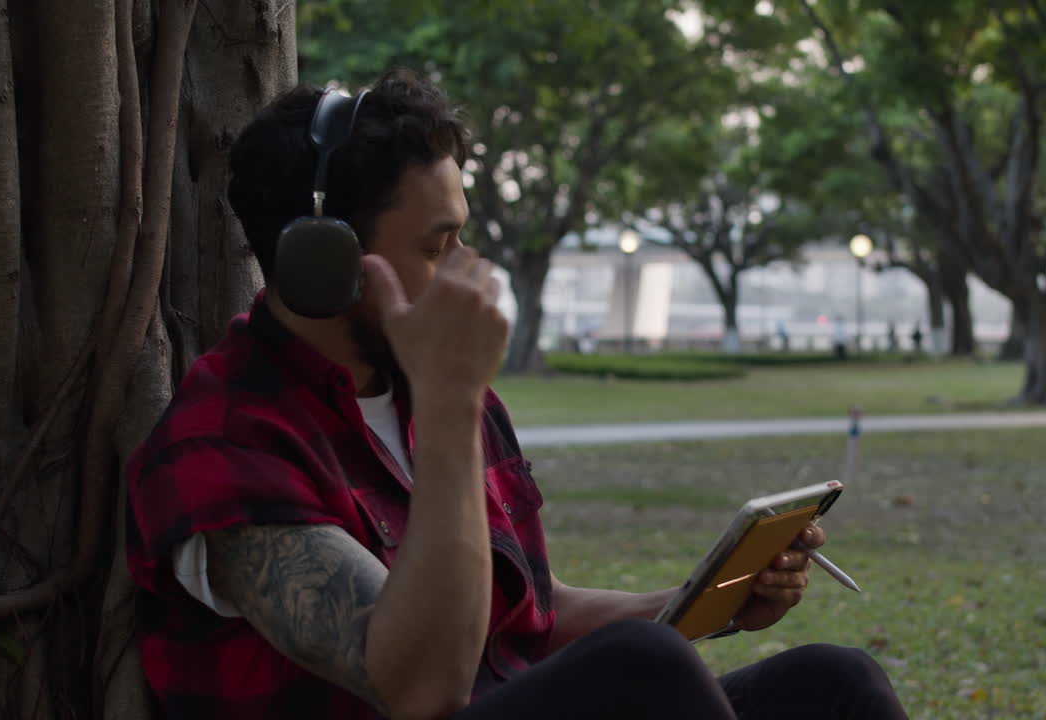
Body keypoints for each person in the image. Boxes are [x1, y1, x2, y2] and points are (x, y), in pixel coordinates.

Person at [125, 69, 907, 720]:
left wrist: (705, 601)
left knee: (836, 686)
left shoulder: (425, 388)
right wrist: (449, 398)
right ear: (325, 266)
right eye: (438, 247)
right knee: (642, 667)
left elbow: (527, 618)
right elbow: (422, 685)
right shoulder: (227, 443)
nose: (472, 271)